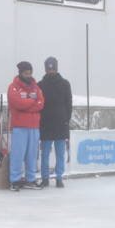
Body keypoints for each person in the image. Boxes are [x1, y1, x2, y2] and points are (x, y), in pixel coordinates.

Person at [7, 61, 45, 191]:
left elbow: (41, 103)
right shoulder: (13, 87)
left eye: (30, 73)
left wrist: (26, 105)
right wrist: (32, 102)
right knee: (18, 154)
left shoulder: (36, 88)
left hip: (34, 127)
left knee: (32, 155)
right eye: (26, 73)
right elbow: (17, 103)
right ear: (20, 73)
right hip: (20, 127)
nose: (28, 76)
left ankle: (30, 179)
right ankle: (15, 180)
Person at [37, 56, 72, 188]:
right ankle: (45, 178)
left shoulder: (65, 84)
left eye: (53, 68)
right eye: (48, 68)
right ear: (45, 69)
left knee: (60, 153)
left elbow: (69, 104)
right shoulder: (40, 85)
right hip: (45, 124)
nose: (51, 71)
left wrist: (65, 119)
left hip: (60, 124)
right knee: (45, 153)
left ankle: (59, 178)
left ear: (56, 68)